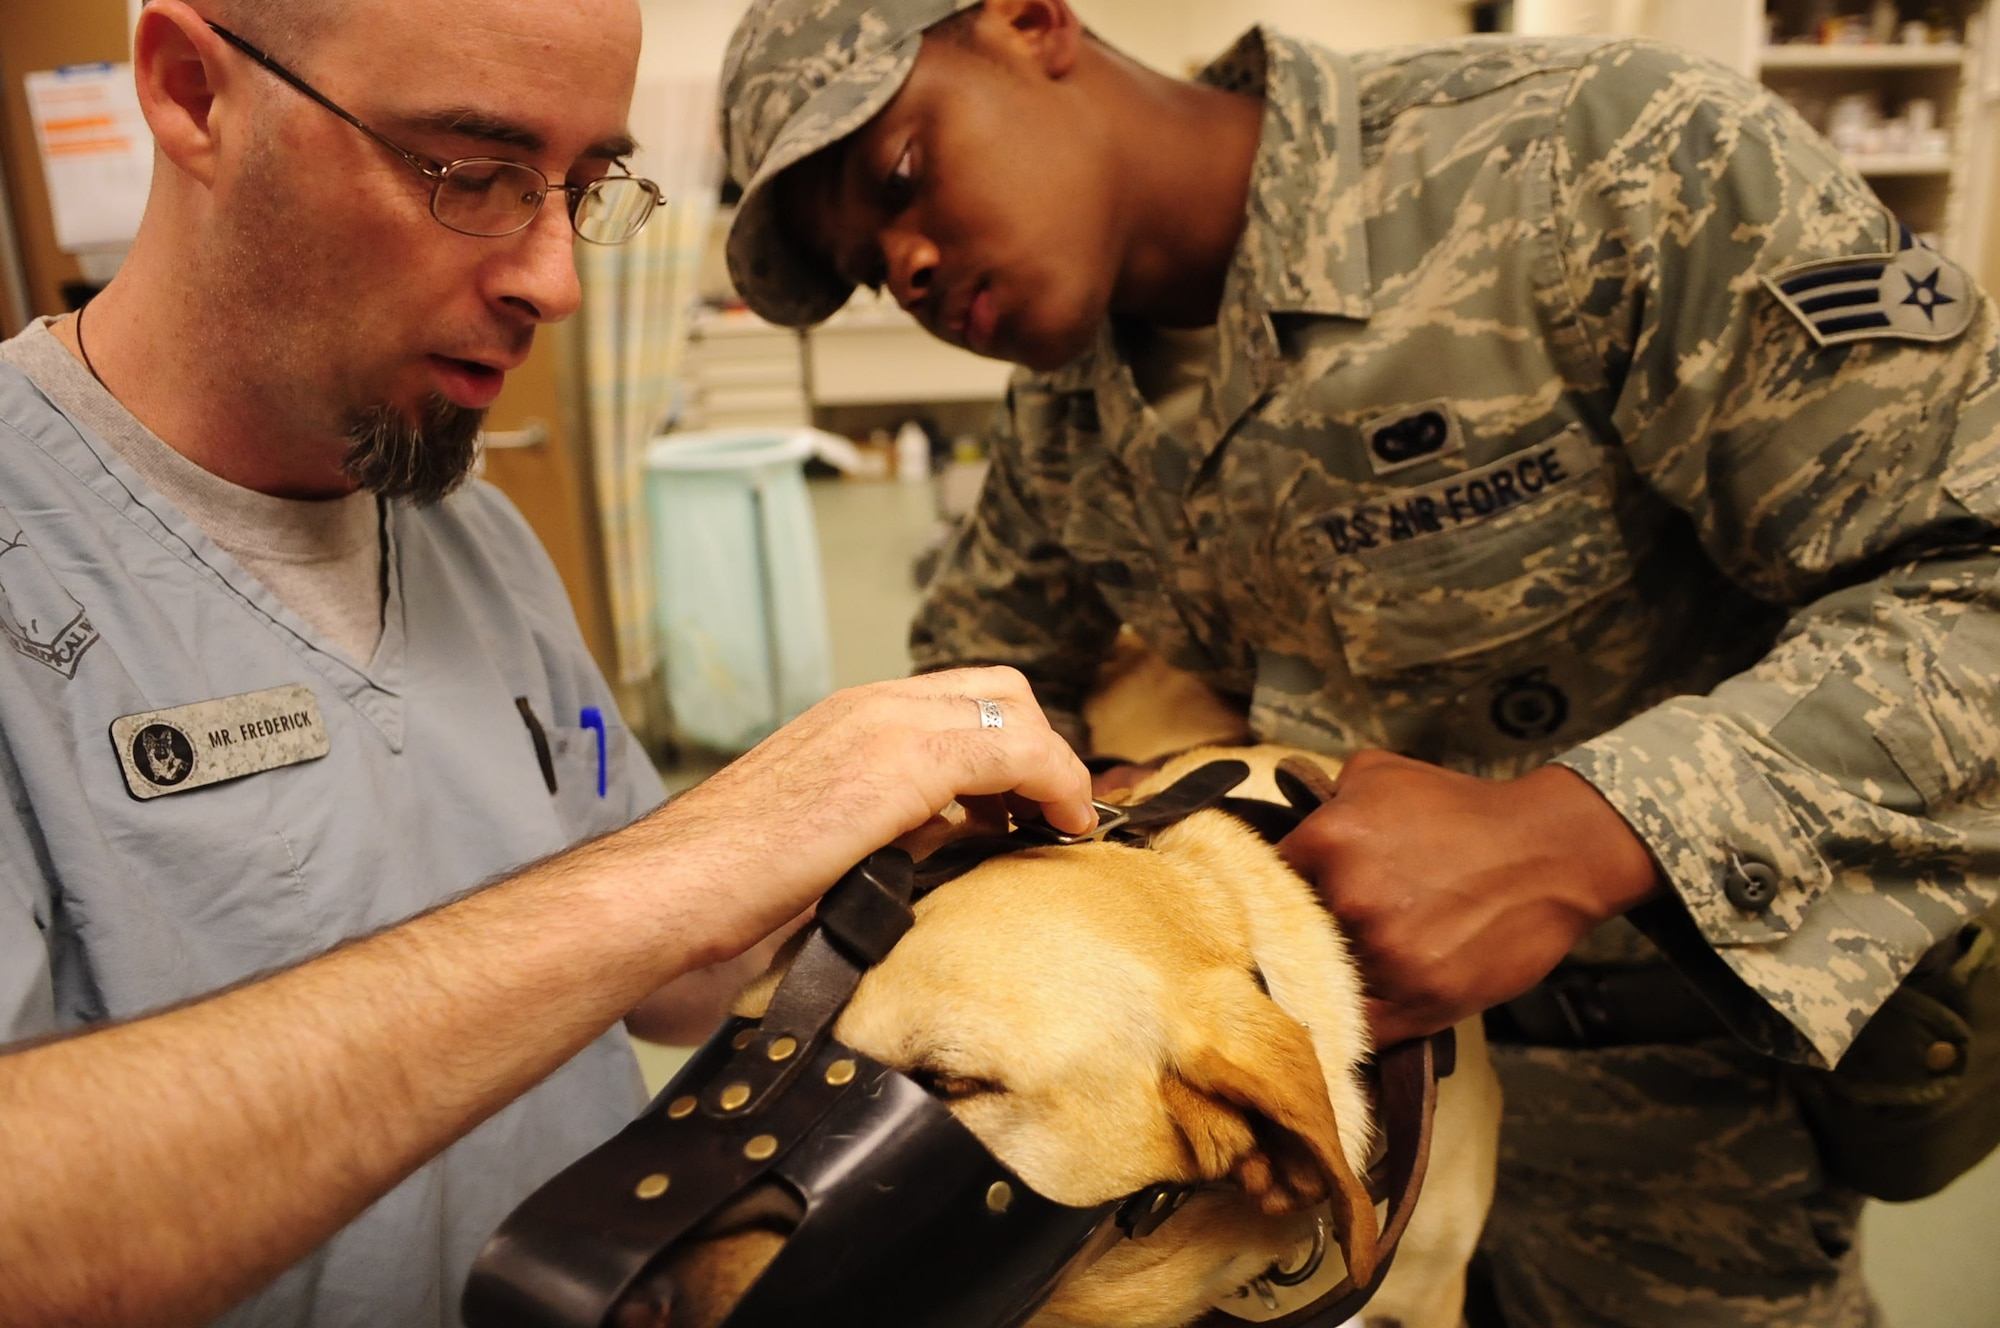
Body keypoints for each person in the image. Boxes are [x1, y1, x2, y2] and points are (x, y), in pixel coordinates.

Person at [717, 1, 2000, 1323]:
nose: (911, 262)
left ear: (1029, 23)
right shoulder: (1066, 414)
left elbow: (1978, 576)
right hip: (1284, 1170)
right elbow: (975, 702)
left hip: (1672, 1133)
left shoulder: (1602, 159)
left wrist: (1576, 835)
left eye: (901, 176)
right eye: (871, 267)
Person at [0, 0, 1096, 1324]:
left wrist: (888, 843)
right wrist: (693, 861)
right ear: (194, 95)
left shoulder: (470, 532)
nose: (556, 281)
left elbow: (679, 975)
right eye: (471, 173)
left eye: (586, 188)